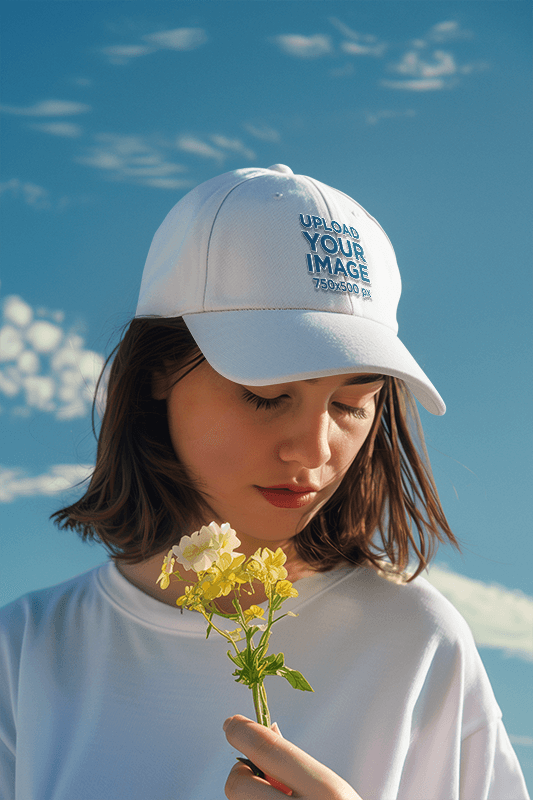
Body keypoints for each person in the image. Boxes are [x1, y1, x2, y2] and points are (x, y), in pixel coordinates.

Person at [0, 164, 528, 800]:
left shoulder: (418, 645)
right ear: (156, 375)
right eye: (266, 396)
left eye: (351, 404)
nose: (313, 449)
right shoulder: (26, 654)